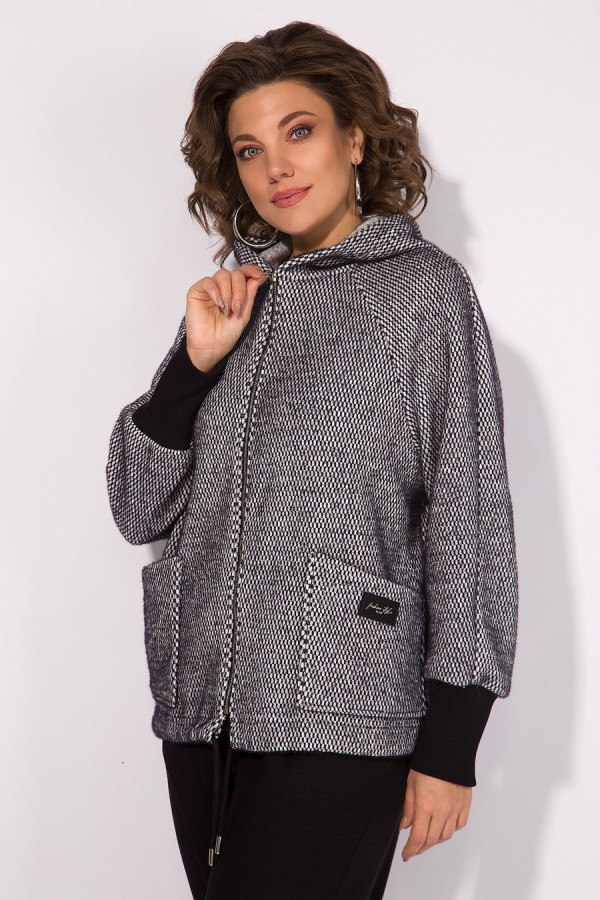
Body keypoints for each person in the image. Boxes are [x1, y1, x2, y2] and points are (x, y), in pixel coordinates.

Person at [105, 20, 519, 900]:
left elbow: (469, 513)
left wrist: (452, 742)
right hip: (201, 714)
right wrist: (193, 366)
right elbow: (137, 507)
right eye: (250, 150)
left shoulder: (423, 292)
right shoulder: (234, 295)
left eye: (299, 131)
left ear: (355, 138)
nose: (276, 169)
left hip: (342, 715)